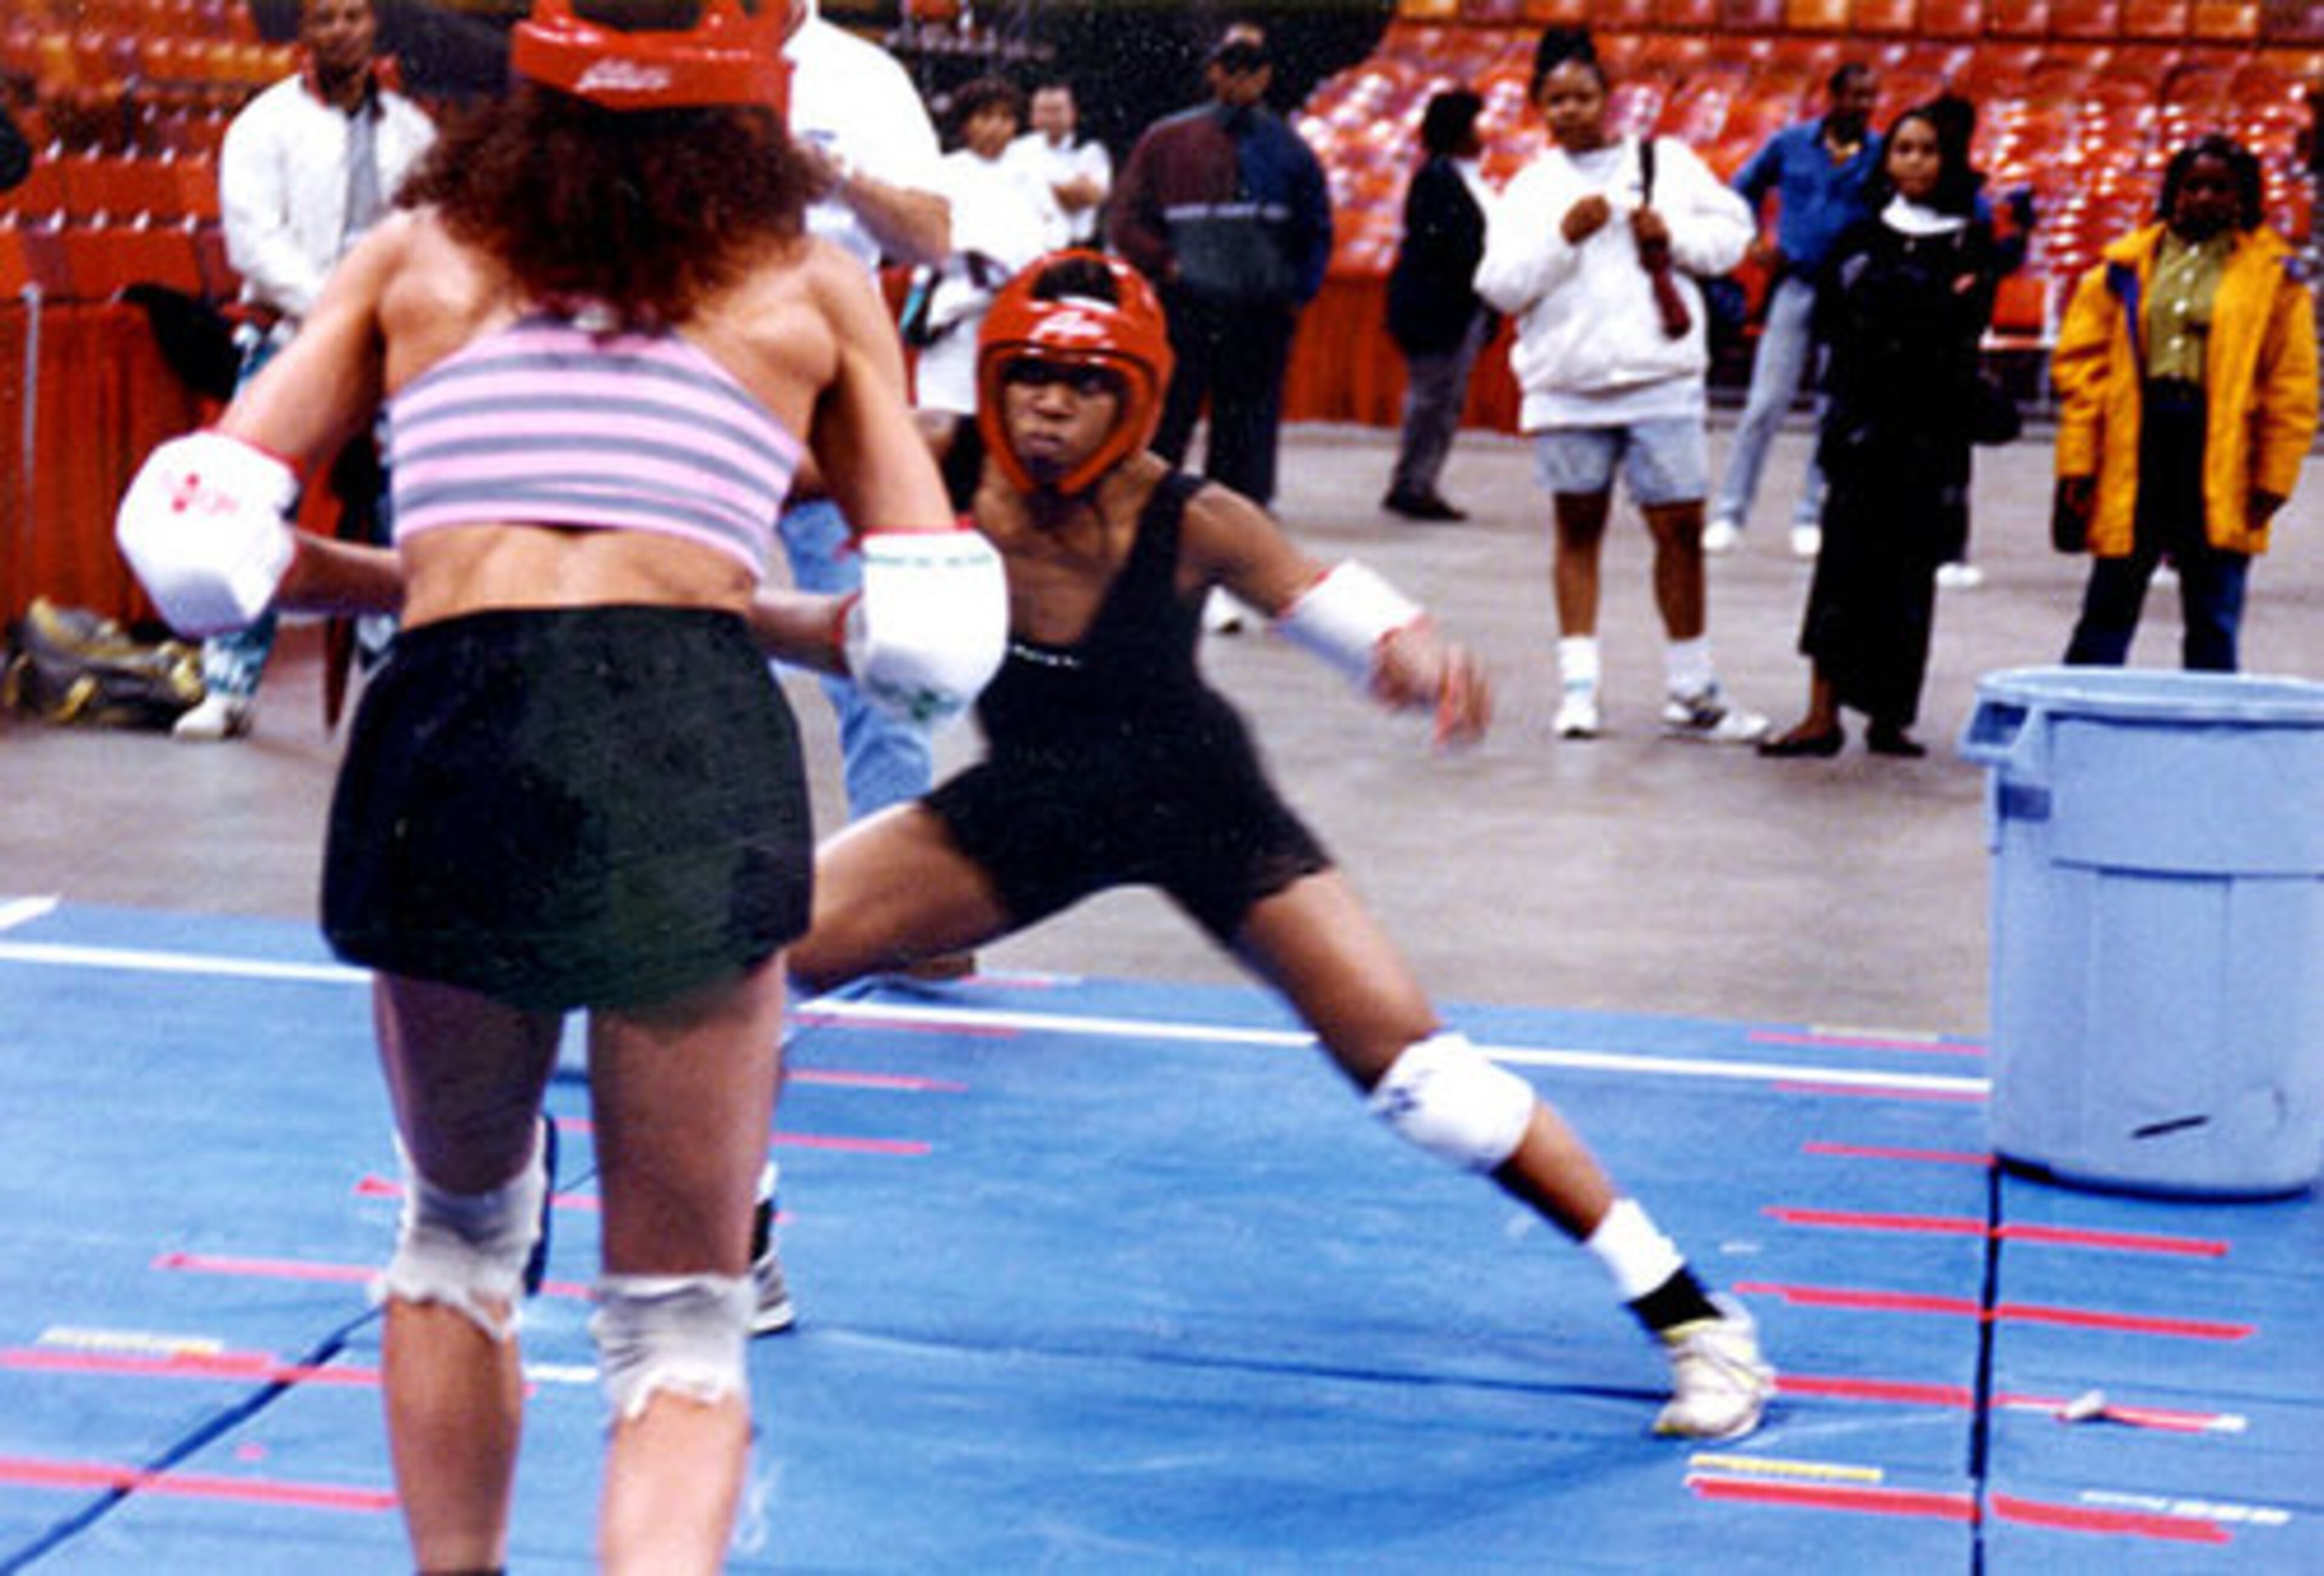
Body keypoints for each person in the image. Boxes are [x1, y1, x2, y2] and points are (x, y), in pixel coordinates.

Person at [110, 2, 1005, 1566]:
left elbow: (195, 548)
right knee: (682, 1315)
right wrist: (774, 611)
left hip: (458, 717)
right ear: (752, 109)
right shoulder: (807, 284)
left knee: (459, 1233)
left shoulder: (416, 254)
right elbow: (933, 637)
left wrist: (408, 570)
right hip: (683, 729)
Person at [774, 249, 1774, 1442]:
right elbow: (726, 478)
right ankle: (738, 1250)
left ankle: (1694, 1316)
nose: (1049, 405)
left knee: (1425, 1083)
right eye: (1030, 374)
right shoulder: (936, 455)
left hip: (1200, 803)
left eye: (1084, 383)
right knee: (755, 955)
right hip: (1027, 806)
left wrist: (1411, 654)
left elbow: (1329, 603)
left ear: (1138, 395)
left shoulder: (1197, 517)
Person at [1473, 27, 1765, 744]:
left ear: (1608, 97)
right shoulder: (1532, 187)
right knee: (1578, 529)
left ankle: (1692, 688)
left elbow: (1734, 238)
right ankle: (1579, 689)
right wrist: (1561, 240)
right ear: (1540, 106)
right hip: (1568, 385)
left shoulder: (1668, 163)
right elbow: (1499, 286)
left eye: (1583, 96)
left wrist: (1673, 239)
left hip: (1660, 379)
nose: (1571, 110)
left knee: (1682, 531)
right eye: (1556, 100)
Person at [173, 0, 435, 741]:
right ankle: (228, 685)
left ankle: (394, 678)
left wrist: (386, 319)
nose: (341, 31)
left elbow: (427, 232)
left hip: (388, 344)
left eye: (354, 16)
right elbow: (256, 245)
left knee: (403, 508)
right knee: (251, 509)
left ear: (373, 26)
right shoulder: (263, 125)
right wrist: (339, 315)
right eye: (325, 19)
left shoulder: (413, 132)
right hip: (292, 335)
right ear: (305, 33)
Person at [1759, 102, 2001, 761]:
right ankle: (1821, 713)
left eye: (1928, 150)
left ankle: (1891, 717)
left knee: (1908, 574)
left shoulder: (1971, 240)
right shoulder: (1861, 233)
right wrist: (1925, 304)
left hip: (1928, 429)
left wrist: (1911, 308)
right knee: (1842, 569)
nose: (1914, 161)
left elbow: (1961, 326)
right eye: (1903, 149)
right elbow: (1843, 320)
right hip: (1862, 423)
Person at [775, 0, 954, 824]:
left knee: (886, 655)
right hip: (695, 391)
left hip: (833, 399)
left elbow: (930, 237)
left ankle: (898, 879)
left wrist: (840, 180)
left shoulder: (862, 78)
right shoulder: (671, 51)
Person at [2053, 133, 2317, 672]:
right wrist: (2078, 463)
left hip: (2220, 448)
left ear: (2243, 196)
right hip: (2139, 440)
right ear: (2172, 191)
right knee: (2109, 601)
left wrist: (2274, 476)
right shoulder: (2122, 268)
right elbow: (2082, 373)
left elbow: (2291, 384)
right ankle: (2083, 711)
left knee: (2214, 610)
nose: (2203, 198)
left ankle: (2211, 718)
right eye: (2192, 186)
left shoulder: (2275, 279)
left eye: (2220, 188)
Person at [1110, 19, 1332, 514]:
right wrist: (1167, 264)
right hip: (1187, 306)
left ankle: (1236, 524)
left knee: (1247, 431)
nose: (1240, 81)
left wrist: (1296, 290)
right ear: (1214, 72)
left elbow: (1316, 227)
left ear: (1267, 77)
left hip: (1259, 313)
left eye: (1252, 71)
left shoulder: (1290, 150)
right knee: (1169, 420)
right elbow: (1126, 217)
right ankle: (1149, 517)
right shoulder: (1167, 140)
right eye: (1231, 69)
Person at [1704, 62, 1882, 561]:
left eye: (1871, 97)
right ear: (1833, 97)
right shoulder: (1790, 144)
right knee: (1765, 403)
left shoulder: (1880, 153)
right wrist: (1754, 239)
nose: (1864, 106)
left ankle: (1812, 514)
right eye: (1856, 96)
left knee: (1833, 407)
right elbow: (1741, 188)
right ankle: (1730, 512)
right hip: (1796, 282)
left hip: (1849, 291)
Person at [909, 77, 1060, 427]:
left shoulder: (1029, 175)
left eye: (1006, 118)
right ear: (965, 123)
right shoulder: (943, 172)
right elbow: (932, 239)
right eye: (986, 117)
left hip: (1014, 305)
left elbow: (1050, 234)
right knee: (948, 407)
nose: (996, 127)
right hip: (957, 306)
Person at [1381, 87, 1495, 524]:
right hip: (1437, 309)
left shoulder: (1467, 178)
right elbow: (1452, 247)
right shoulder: (1436, 180)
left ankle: (1419, 479)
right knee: (1433, 400)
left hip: (1462, 307)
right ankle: (1412, 483)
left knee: (1444, 401)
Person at [1005, 78, 1111, 246]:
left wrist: (1035, 188)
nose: (1050, 118)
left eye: (1057, 111)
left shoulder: (1090, 151)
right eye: (1043, 111)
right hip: (1027, 246)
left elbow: (1087, 197)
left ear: (1073, 113)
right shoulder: (1015, 151)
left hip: (1075, 246)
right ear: (1032, 116)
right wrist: (1062, 188)